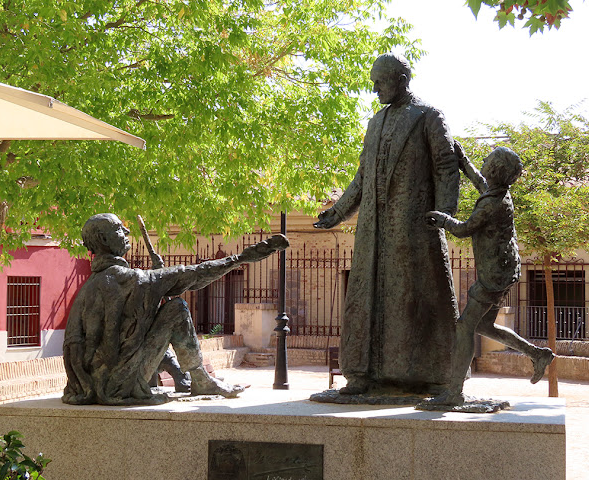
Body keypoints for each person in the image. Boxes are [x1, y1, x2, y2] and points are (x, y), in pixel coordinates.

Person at [314, 53, 460, 395]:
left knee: (415, 297)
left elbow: (446, 166)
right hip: (374, 228)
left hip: (414, 223)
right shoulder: (375, 122)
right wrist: (337, 213)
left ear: (401, 79)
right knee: (368, 298)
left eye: (380, 81)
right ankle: (364, 374)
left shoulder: (428, 116)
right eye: (374, 82)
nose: (375, 88)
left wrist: (445, 212)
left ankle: (433, 375)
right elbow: (363, 177)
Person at [62, 213, 288, 405]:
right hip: (119, 383)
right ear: (103, 239)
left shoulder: (91, 286)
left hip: (96, 383)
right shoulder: (125, 279)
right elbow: (191, 275)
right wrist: (239, 259)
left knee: (156, 316)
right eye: (119, 229)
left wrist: (158, 285)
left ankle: (190, 378)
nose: (127, 231)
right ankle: (201, 381)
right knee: (176, 309)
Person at [425, 146, 554, 405]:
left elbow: (463, 229)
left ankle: (453, 393)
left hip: (493, 275)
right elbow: (481, 183)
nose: (483, 162)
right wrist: (463, 161)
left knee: (464, 327)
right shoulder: (499, 193)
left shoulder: (492, 204)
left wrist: (441, 219)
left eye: (487, 161)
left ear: (495, 169)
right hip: (505, 270)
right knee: (483, 325)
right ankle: (537, 354)